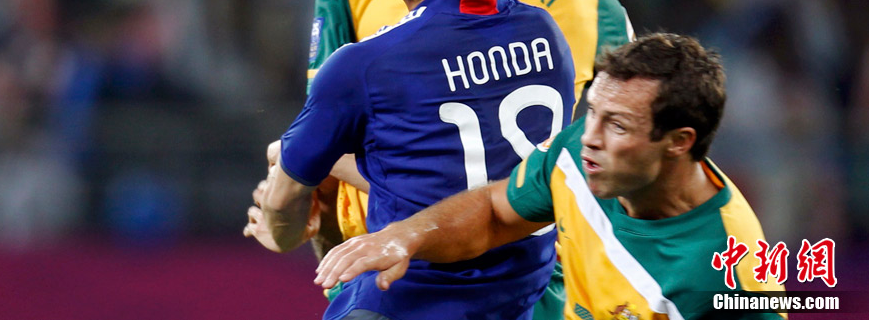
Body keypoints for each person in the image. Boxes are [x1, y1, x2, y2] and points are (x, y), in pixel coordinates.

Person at [248, 0, 577, 320]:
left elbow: (282, 222)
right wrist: (328, 162)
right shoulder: (547, 37)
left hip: (400, 302)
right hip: (518, 305)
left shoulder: (364, 65)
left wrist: (278, 220)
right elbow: (460, 180)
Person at [315, 33, 788, 320]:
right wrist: (407, 237)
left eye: (617, 124)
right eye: (594, 112)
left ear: (679, 141)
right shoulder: (579, 156)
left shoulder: (730, 274)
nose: (589, 136)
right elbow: (494, 213)